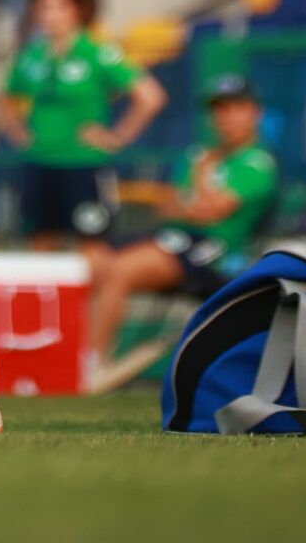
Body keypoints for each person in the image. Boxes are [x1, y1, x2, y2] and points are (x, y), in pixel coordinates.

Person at [87, 76, 278, 385]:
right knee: (90, 261)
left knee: (118, 271)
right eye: (219, 110)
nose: (224, 118)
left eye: (233, 109)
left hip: (215, 252)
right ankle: (73, 354)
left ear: (253, 112)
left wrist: (200, 182)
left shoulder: (256, 162)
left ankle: (93, 362)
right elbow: (167, 205)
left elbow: (211, 210)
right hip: (173, 238)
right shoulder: (198, 153)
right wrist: (192, 204)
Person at [0, 0, 165, 245]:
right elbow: (5, 100)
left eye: (58, 6)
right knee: (40, 246)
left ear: (78, 9)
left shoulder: (98, 53)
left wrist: (117, 137)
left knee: (92, 248)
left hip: (84, 165)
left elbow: (150, 96)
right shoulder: (30, 56)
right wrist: (19, 134)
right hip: (39, 164)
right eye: (43, 6)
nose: (48, 14)